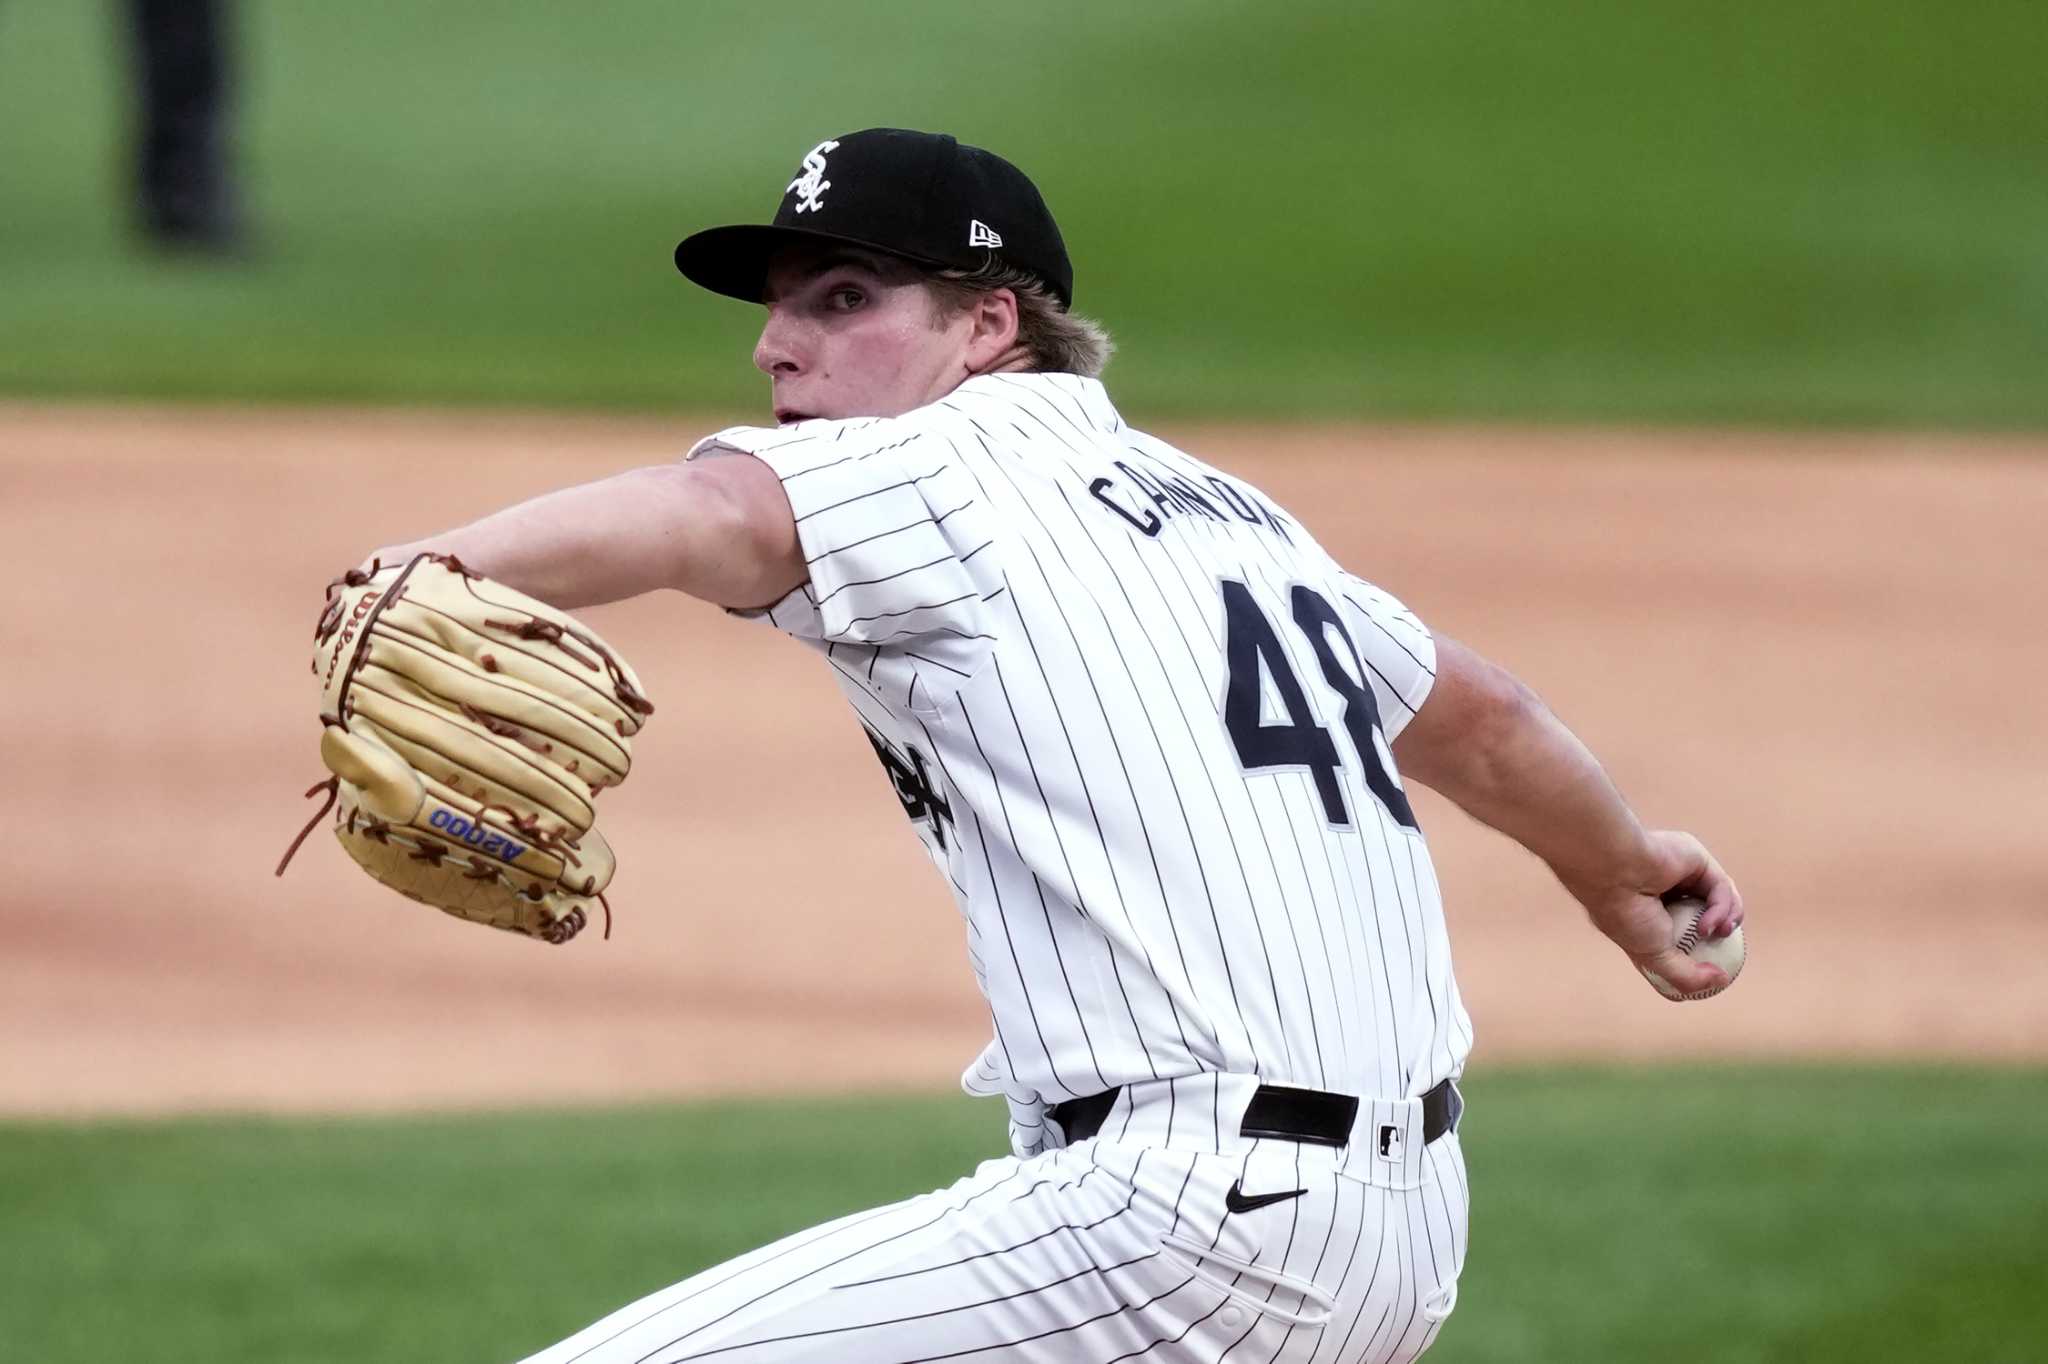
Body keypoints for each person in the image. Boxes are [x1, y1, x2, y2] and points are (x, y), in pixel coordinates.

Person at [365, 128, 1744, 1364]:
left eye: (844, 299)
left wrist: (426, 572)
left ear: (987, 327)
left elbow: (712, 515)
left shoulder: (936, 465)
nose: (778, 345)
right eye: (779, 307)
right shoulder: (1229, 511)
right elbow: (1481, 718)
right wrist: (1620, 872)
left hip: (1176, 1231)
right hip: (1400, 1233)